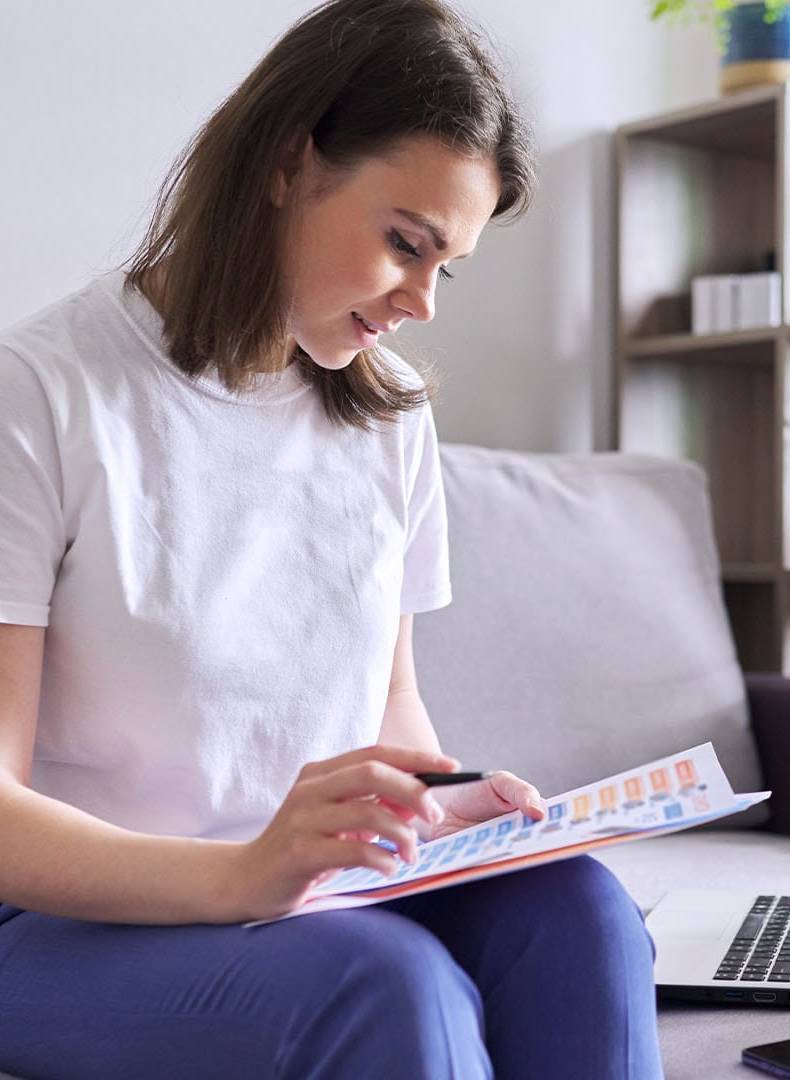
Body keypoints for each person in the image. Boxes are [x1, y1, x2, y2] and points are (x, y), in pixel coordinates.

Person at [0, 1, 665, 1077]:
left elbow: (390, 708)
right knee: (385, 987)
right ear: (285, 160)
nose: (424, 303)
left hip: (308, 892)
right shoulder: (39, 396)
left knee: (575, 908)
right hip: (63, 922)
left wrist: (452, 808)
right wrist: (244, 876)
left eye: (446, 265)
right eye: (406, 244)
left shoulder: (387, 411)